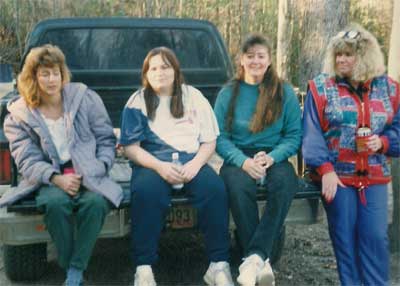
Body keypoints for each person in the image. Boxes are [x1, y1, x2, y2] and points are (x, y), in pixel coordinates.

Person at [1, 44, 123, 286]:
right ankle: (73, 268)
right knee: (54, 203)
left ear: (63, 73)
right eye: (44, 74)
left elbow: (105, 138)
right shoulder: (19, 115)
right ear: (33, 77)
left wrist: (100, 165)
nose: (51, 79)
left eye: (55, 72)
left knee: (96, 203)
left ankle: (75, 269)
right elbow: (26, 159)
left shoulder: (84, 98)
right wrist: (56, 178)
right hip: (49, 176)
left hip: (88, 170)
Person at [120, 47, 233, 286]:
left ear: (176, 70)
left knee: (215, 189)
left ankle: (218, 264)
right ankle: (144, 268)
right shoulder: (137, 101)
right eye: (154, 68)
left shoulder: (194, 96)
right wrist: (160, 167)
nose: (160, 72)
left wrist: (195, 165)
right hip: (152, 163)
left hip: (191, 160)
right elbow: (131, 147)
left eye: (165, 66)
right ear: (146, 73)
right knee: (146, 193)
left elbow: (209, 140)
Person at [302, 24, 400, 286]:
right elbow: (311, 135)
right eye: (338, 54)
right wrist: (325, 170)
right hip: (338, 179)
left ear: (364, 56)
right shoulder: (321, 88)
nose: (341, 60)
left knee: (375, 238)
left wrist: (383, 142)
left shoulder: (390, 89)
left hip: (375, 178)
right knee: (344, 240)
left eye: (348, 54)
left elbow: (398, 129)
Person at [214, 34, 302, 286]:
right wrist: (242, 161)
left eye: (260, 56)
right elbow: (219, 137)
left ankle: (253, 256)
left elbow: (293, 135)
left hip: (274, 156)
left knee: (286, 183)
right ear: (241, 60)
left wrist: (272, 158)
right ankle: (261, 260)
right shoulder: (228, 93)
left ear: (269, 60)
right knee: (237, 185)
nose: (255, 61)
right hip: (239, 157)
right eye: (250, 56)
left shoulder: (283, 91)